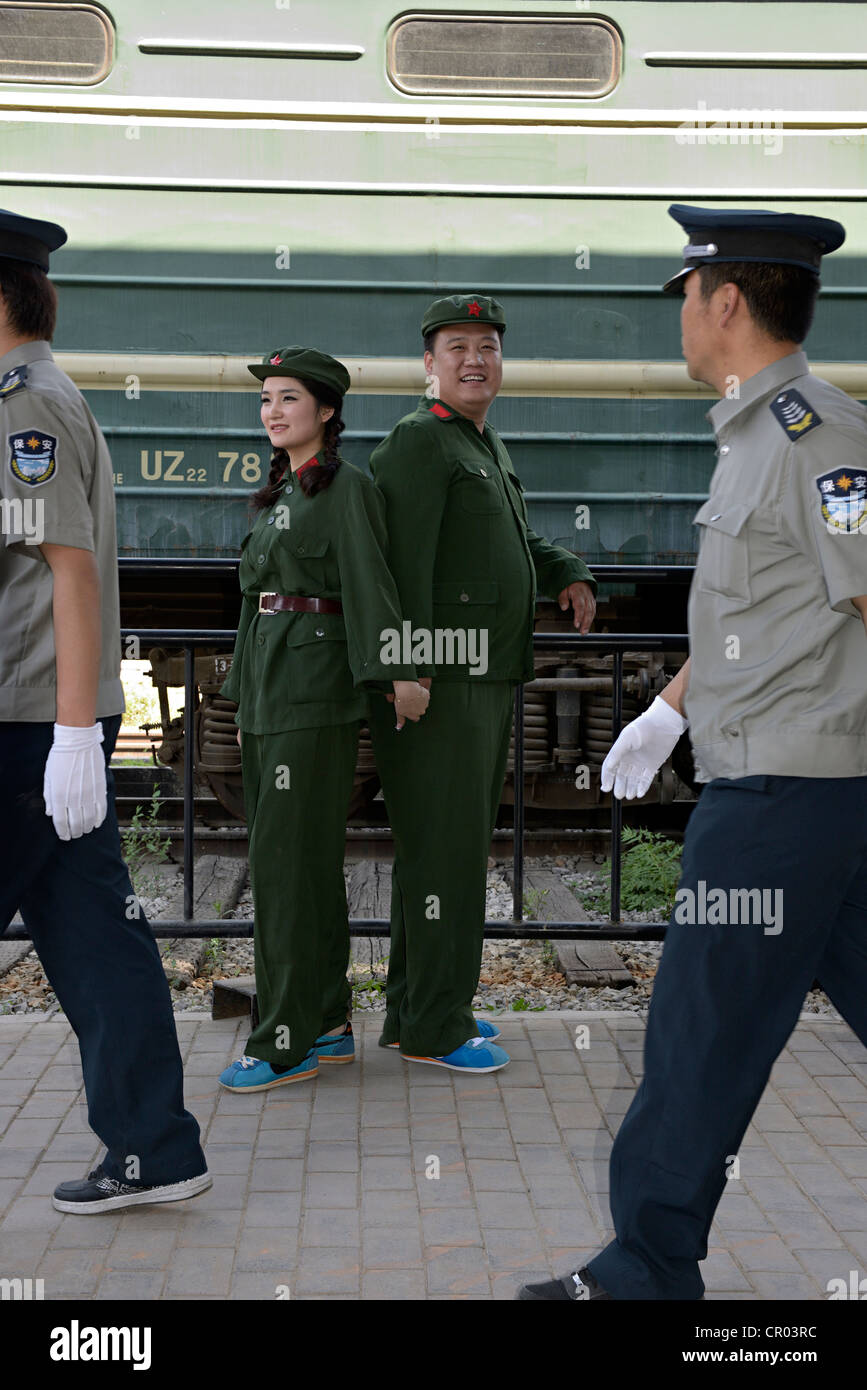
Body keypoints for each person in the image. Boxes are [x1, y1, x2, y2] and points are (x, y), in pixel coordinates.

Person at [518, 205, 867, 1300]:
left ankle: (647, 1268)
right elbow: (758, 615)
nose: (679, 311)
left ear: (726, 300)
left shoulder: (821, 437)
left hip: (781, 795)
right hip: (802, 793)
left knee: (700, 1034)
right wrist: (670, 705)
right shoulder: (754, 434)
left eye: (685, 292)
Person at [0, 209, 210, 1213]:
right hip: (43, 726)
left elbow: (68, 571)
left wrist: (78, 733)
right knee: (95, 939)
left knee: (100, 938)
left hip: (21, 724)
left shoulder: (21, 404)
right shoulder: (43, 392)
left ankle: (151, 1142)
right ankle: (153, 1147)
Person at [367, 294, 597, 1074]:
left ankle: (415, 1013)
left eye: (488, 346)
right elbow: (397, 567)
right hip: (442, 676)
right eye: (458, 346)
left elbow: (508, 538)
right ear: (427, 364)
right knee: (448, 854)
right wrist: (407, 669)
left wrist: (564, 570)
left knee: (446, 849)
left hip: (480, 671)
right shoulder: (417, 442)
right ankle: (436, 1028)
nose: (476, 359)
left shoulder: (477, 443)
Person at [217, 346, 429, 1092]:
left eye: (289, 399)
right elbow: (256, 599)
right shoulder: (283, 491)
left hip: (312, 691)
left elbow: (370, 581)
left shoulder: (345, 488)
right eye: (266, 400)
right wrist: (244, 693)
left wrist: (398, 671)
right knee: (299, 864)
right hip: (273, 690)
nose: (273, 412)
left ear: (328, 411)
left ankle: (284, 1040)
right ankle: (329, 1022)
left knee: (284, 869)